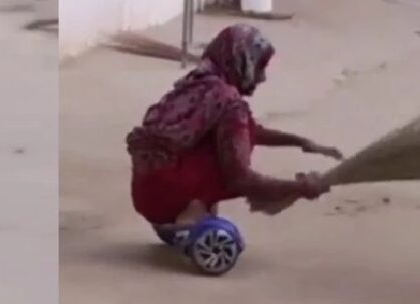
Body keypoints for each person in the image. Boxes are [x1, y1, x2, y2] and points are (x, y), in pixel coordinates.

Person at [126, 24, 342, 245]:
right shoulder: (229, 103)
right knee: (229, 158)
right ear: (242, 62)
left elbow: (250, 131)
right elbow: (241, 179)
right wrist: (301, 188)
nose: (262, 78)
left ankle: (184, 213)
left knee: (225, 140)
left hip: (147, 191)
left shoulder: (201, 82)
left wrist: (300, 142)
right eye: (259, 68)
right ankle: (190, 216)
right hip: (171, 194)